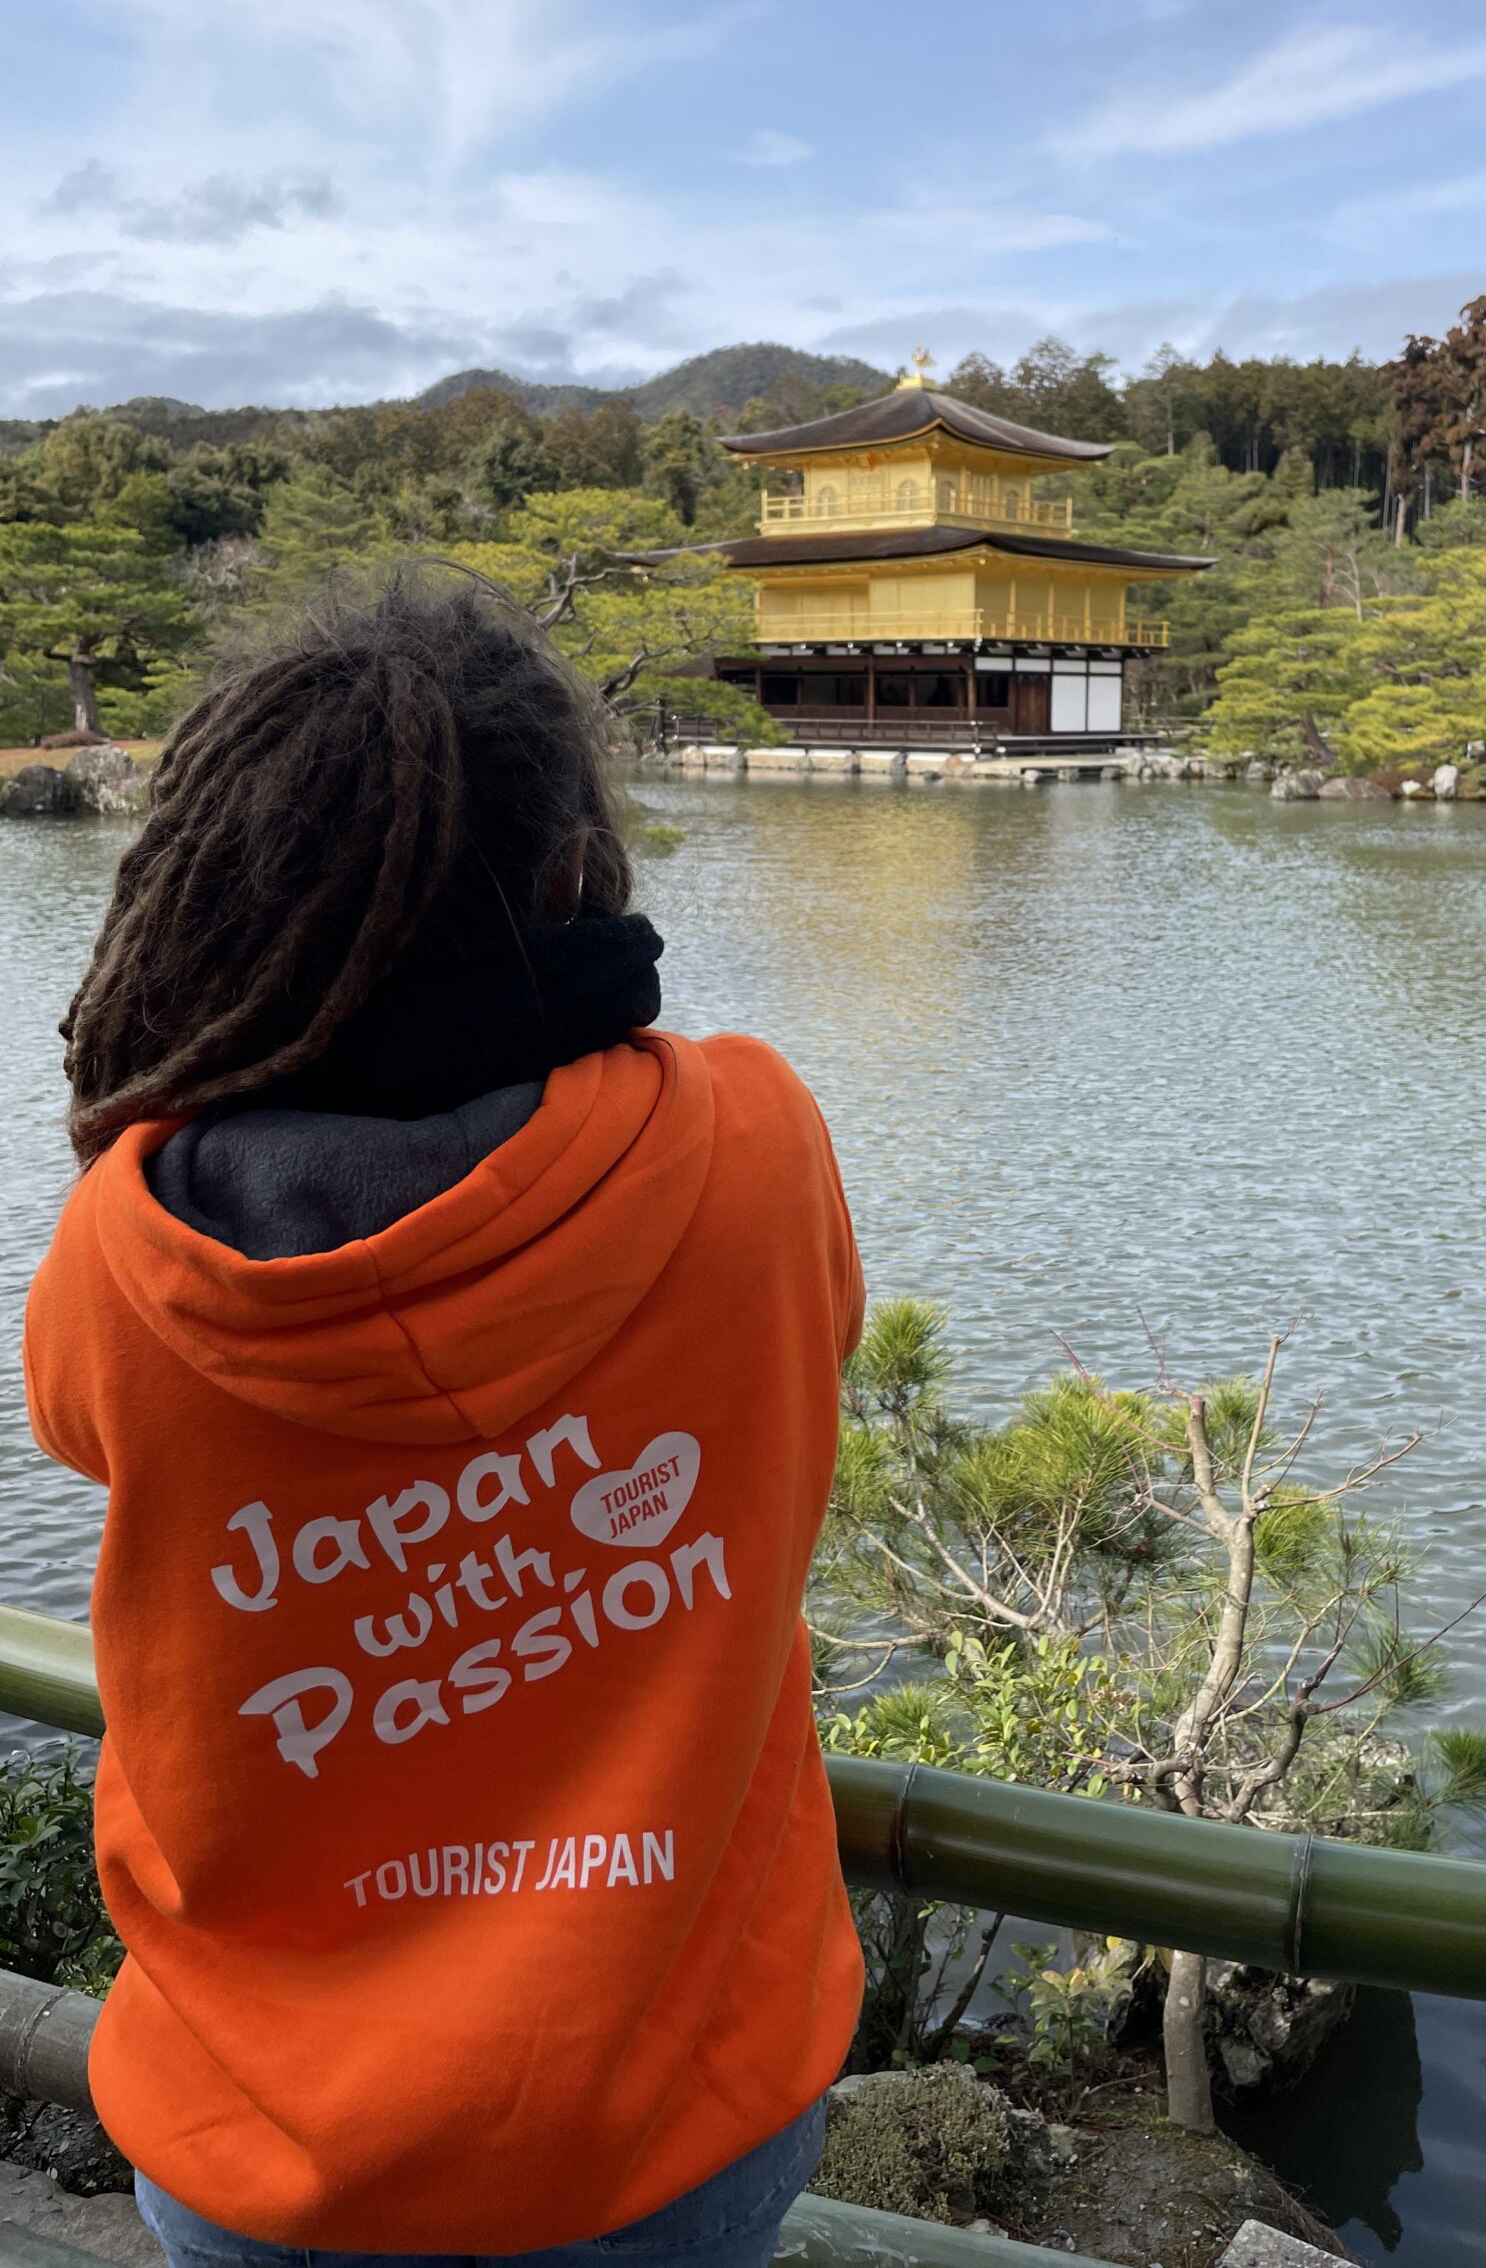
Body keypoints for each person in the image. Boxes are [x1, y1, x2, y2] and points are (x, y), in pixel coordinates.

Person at [25, 575, 866, 2268]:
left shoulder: (126, 1256)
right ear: (569, 872)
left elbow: (81, 1438)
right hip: (673, 2122)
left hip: (257, 2127)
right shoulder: (755, 1150)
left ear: (223, 904)